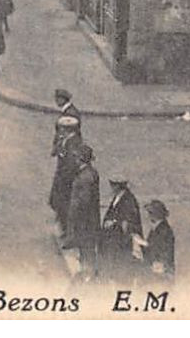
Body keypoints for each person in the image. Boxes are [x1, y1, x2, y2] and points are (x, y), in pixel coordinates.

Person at [64, 144, 101, 279]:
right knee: (85, 250)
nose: (74, 160)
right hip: (87, 222)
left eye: (75, 157)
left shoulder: (85, 176)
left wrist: (75, 221)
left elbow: (84, 203)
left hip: (84, 223)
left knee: (86, 250)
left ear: (80, 159)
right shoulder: (88, 173)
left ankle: (88, 278)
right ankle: (88, 274)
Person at [99, 177, 142, 280]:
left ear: (118, 186)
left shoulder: (129, 199)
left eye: (113, 184)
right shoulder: (117, 197)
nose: (111, 187)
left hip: (121, 241)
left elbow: (129, 221)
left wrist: (114, 222)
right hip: (113, 239)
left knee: (122, 270)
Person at [48, 115, 82, 239]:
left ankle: (66, 232)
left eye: (63, 128)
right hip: (61, 179)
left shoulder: (74, 143)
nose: (60, 131)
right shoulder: (66, 140)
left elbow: (71, 165)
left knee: (65, 205)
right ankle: (63, 228)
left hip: (66, 181)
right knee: (60, 204)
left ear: (69, 130)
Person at [139, 200, 176, 278]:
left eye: (149, 213)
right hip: (157, 269)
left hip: (161, 271)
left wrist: (142, 243)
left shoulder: (163, 229)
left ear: (154, 215)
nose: (147, 216)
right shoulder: (157, 228)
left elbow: (159, 249)